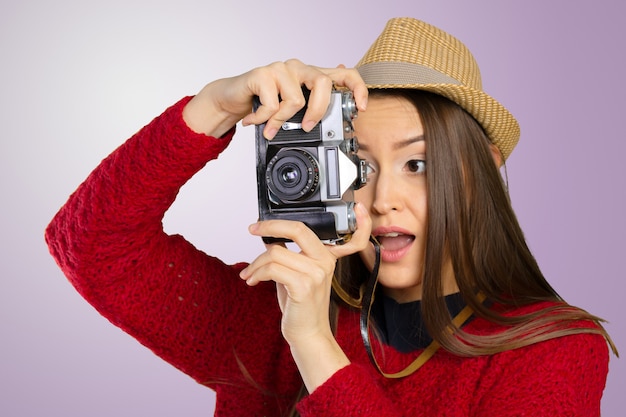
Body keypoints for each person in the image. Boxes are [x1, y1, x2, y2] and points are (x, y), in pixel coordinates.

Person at [45, 17, 617, 416]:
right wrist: (214, 107)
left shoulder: (553, 350)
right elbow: (93, 246)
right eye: (358, 168)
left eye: (417, 163)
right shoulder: (272, 316)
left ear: (480, 174)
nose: (382, 198)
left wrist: (317, 347)